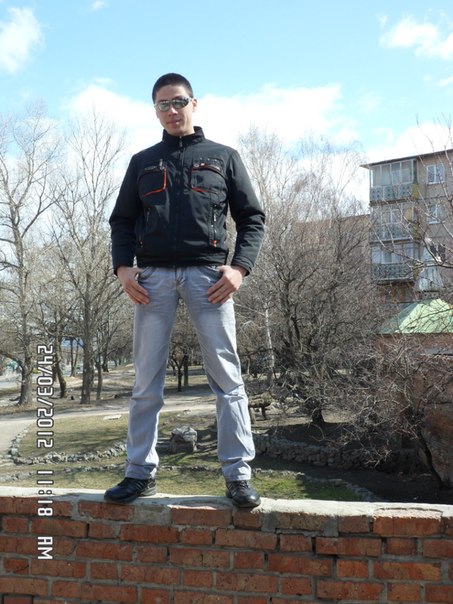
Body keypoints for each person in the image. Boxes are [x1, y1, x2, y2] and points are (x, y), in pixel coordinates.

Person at [105, 73, 265, 508]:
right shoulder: (142, 162)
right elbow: (122, 221)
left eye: (178, 102)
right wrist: (123, 268)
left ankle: (238, 475)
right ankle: (139, 473)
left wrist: (240, 269)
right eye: (163, 104)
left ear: (194, 103)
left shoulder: (224, 157)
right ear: (155, 110)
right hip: (152, 280)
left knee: (227, 380)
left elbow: (252, 218)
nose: (171, 111)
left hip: (209, 279)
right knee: (145, 382)